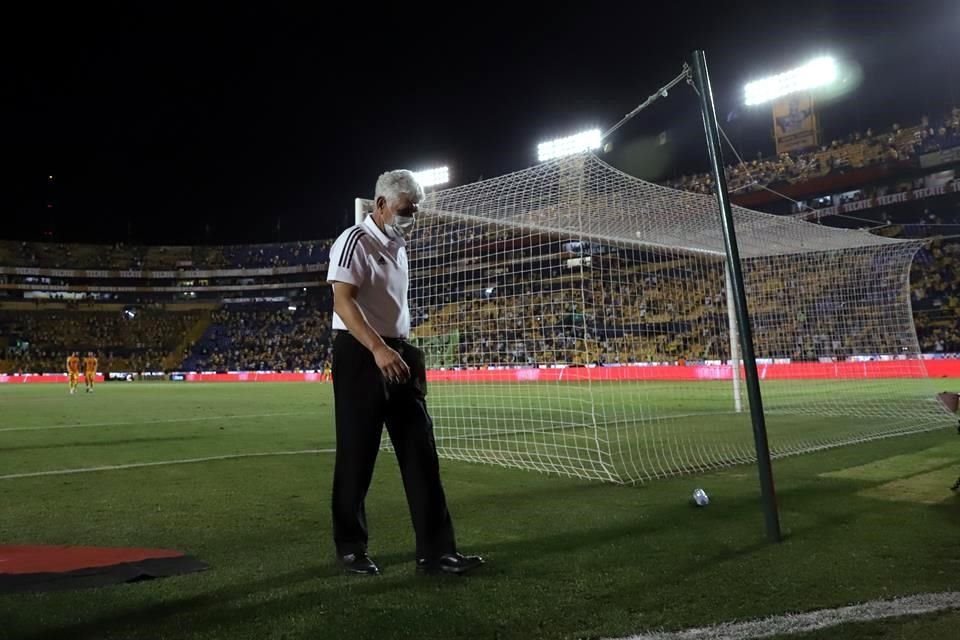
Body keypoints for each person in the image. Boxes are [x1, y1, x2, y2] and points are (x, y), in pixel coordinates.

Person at [326, 169, 484, 576]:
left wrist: (399, 349)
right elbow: (343, 301)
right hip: (362, 352)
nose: (410, 216)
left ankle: (436, 552)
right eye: (404, 209)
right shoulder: (353, 241)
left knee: (421, 453)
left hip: (398, 352)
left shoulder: (399, 246)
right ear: (379, 205)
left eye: (414, 209)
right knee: (356, 454)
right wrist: (377, 348)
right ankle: (350, 548)